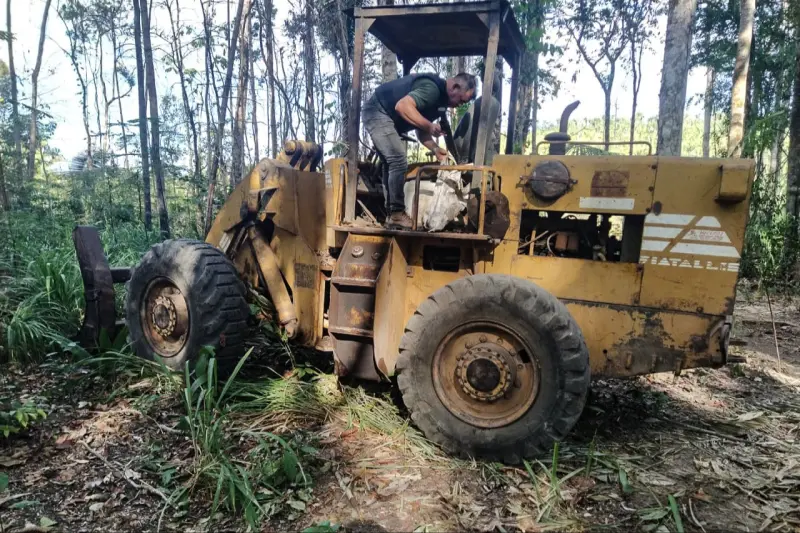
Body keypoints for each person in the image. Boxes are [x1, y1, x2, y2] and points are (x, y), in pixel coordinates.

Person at [362, 72, 477, 229]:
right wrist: (430, 126)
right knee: (397, 160)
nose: (460, 105)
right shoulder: (433, 90)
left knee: (390, 163)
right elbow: (402, 106)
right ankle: (396, 214)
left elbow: (420, 128)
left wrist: (435, 148)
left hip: (385, 115)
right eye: (461, 100)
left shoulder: (439, 102)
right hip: (378, 111)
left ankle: (392, 215)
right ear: (455, 87)